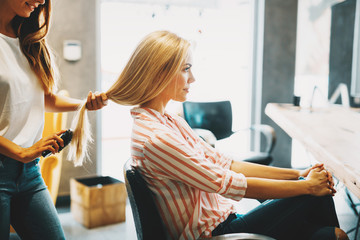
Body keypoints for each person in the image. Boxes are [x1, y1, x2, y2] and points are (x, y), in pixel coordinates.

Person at [71, 30, 348, 240]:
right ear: (159, 74)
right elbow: (228, 182)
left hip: (226, 219)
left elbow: (227, 163)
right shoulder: (156, 138)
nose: (192, 79)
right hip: (218, 233)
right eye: (186, 69)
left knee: (329, 222)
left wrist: (298, 173)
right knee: (320, 200)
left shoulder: (168, 121)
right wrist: (307, 186)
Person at [0, 0, 107, 239]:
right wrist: (20, 152)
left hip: (29, 173)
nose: (40, 1)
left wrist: (84, 105)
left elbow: (45, 98)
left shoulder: (28, 39)